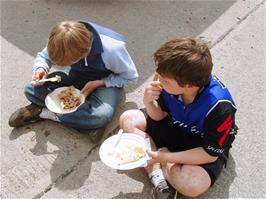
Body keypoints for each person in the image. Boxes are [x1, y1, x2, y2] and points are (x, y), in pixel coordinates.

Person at [119, 37, 238, 198]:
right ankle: (158, 178)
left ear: (189, 85)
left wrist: (166, 156)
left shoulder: (219, 107)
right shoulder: (170, 85)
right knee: (129, 118)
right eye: (159, 74)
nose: (158, 81)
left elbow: (210, 154)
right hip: (175, 127)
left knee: (192, 185)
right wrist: (148, 101)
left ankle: (158, 159)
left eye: (165, 80)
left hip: (200, 145)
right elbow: (159, 117)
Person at [8, 20, 138, 143]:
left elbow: (130, 76)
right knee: (31, 89)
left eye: (68, 63)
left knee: (101, 115)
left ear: (85, 53)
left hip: (106, 81)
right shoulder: (63, 38)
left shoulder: (112, 49)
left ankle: (44, 113)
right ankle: (85, 123)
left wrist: (101, 82)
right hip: (77, 75)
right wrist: (41, 69)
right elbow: (44, 56)